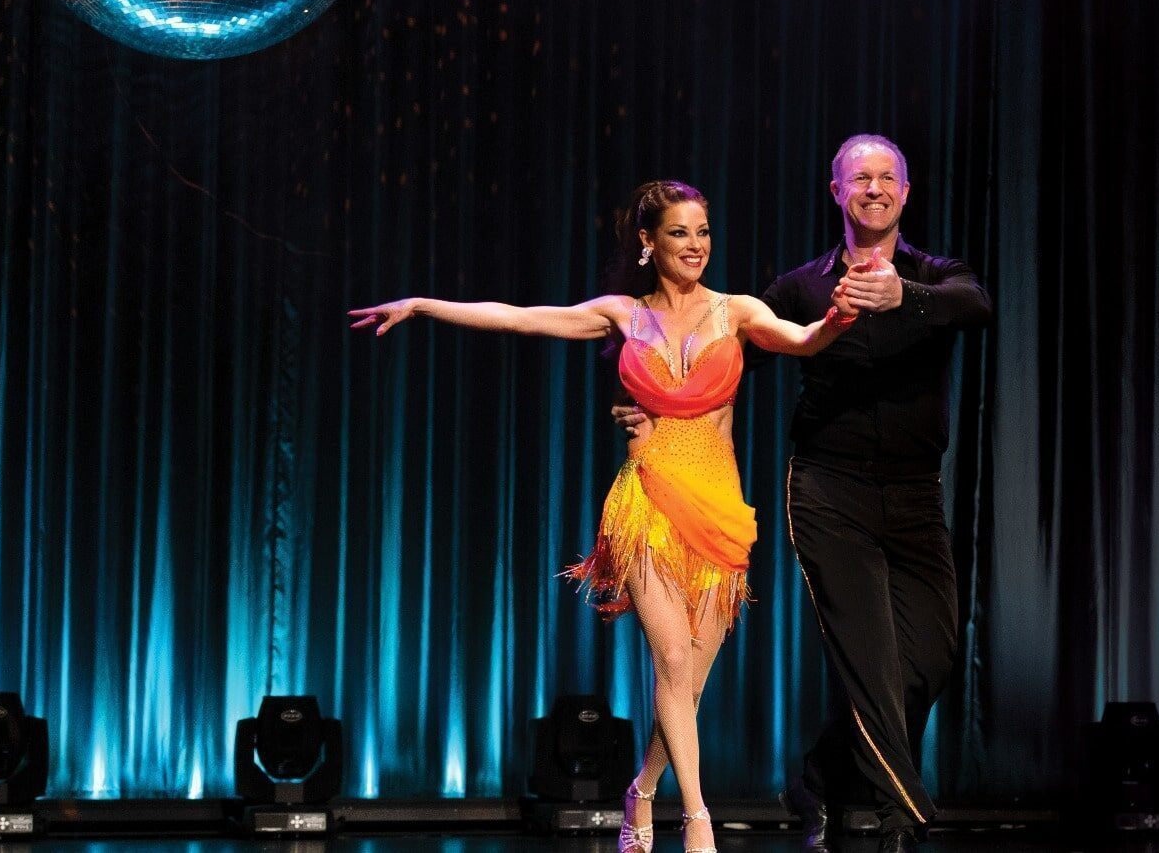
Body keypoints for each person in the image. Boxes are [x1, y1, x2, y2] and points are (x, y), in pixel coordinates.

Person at [349, 179, 858, 853]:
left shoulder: (736, 311)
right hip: (644, 501)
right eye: (680, 232)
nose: (696, 244)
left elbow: (804, 337)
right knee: (670, 656)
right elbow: (522, 316)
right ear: (648, 242)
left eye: (703, 230)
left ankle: (641, 788)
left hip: (720, 513)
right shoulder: (623, 314)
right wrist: (423, 305)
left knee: (687, 683)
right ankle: (696, 819)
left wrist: (842, 316)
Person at [615, 136, 991, 853]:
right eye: (860, 178)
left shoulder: (939, 275)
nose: (874, 188)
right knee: (871, 659)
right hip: (828, 490)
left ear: (905, 193)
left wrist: (902, 296)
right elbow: (709, 362)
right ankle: (900, 810)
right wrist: (643, 405)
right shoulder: (798, 287)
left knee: (935, 654)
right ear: (836, 191)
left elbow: (973, 305)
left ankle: (823, 769)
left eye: (887, 178)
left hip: (915, 494)